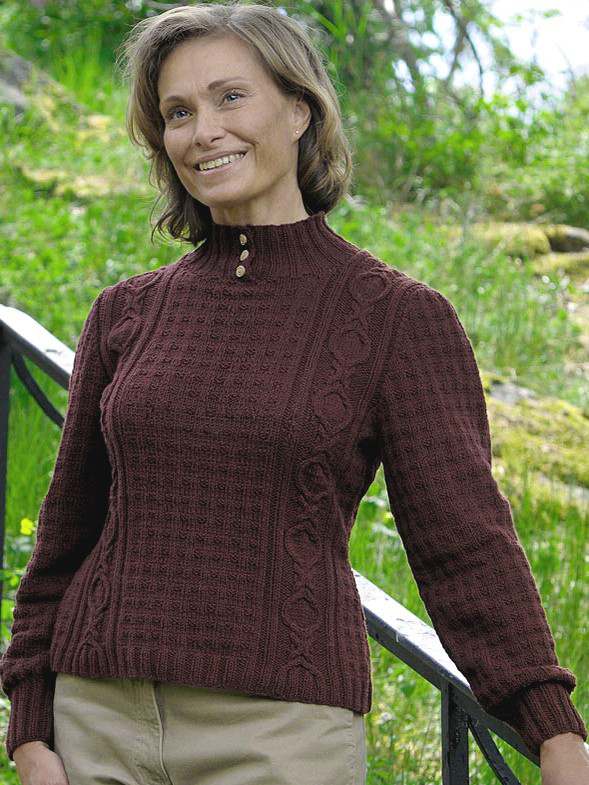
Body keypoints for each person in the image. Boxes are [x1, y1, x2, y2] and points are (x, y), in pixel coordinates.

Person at [1, 3, 587, 784]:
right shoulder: (126, 311)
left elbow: (463, 541)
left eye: (230, 97)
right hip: (97, 723)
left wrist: (551, 729)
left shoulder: (394, 317)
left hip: (279, 735)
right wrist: (29, 726)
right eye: (178, 112)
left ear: (300, 109)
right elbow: (66, 530)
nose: (203, 130)